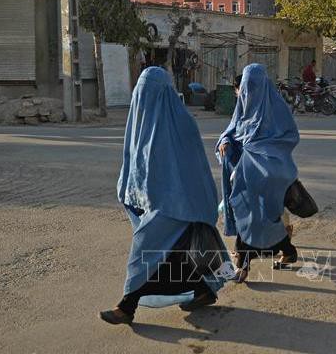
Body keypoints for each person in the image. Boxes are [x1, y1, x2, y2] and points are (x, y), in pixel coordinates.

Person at [100, 67, 230, 326]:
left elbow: (195, 170)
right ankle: (203, 289)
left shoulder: (181, 124)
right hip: (161, 203)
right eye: (141, 92)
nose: (143, 97)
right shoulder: (141, 122)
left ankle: (127, 305)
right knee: (173, 255)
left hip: (180, 203)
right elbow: (135, 162)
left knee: (145, 249)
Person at [217, 64, 299, 283]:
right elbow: (233, 130)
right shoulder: (243, 106)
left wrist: (257, 153)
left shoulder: (277, 108)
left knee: (257, 218)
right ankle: (286, 250)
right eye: (246, 86)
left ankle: (243, 265)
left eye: (252, 86)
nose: (248, 91)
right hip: (244, 174)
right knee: (251, 216)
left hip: (270, 175)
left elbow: (289, 137)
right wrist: (225, 140)